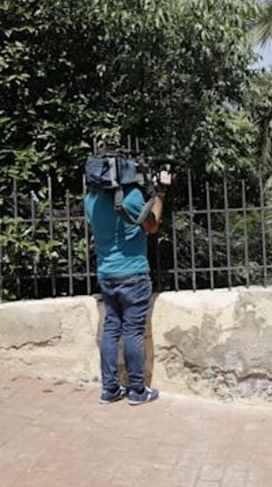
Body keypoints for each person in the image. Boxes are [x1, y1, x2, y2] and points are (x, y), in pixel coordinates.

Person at [84, 169, 172, 405]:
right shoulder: (132, 197)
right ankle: (137, 390)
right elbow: (151, 226)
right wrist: (159, 195)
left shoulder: (90, 200)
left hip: (106, 274)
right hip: (133, 274)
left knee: (111, 329)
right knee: (133, 330)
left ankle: (110, 389)